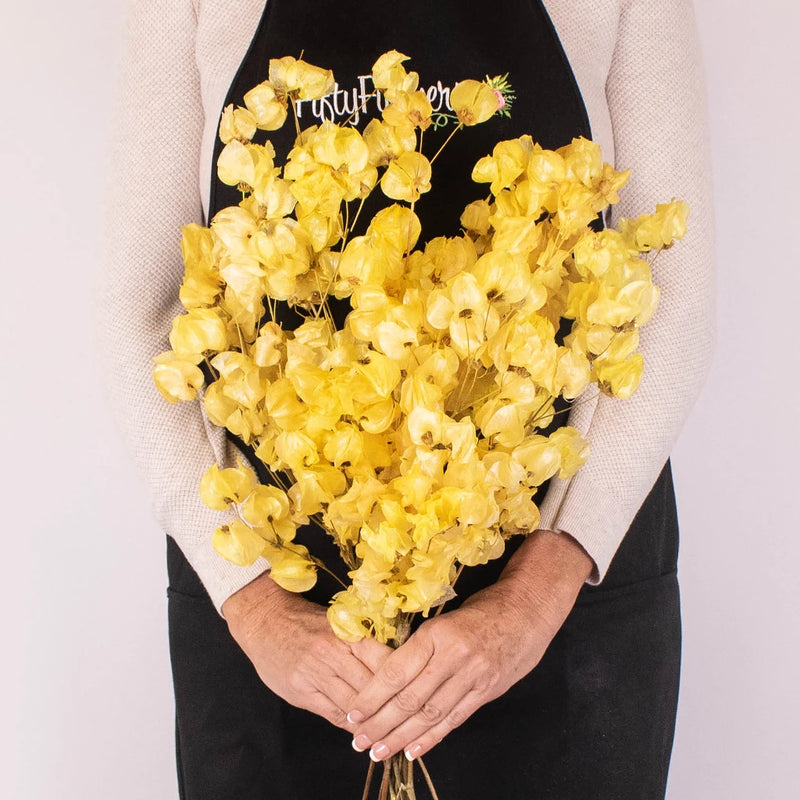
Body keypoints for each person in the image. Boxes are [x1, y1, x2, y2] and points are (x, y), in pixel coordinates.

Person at [100, 0, 714, 797]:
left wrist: (539, 590)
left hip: (559, 580)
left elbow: (673, 292)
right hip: (286, 607)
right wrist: (252, 604)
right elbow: (136, 311)